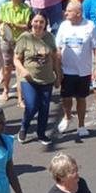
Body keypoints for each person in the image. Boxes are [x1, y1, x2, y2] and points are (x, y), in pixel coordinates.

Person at [55, 0, 96, 142]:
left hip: (83, 70)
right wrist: (57, 70)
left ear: (78, 13)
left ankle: (81, 125)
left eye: (69, 11)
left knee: (81, 98)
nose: (66, 13)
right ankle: (67, 116)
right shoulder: (63, 26)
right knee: (66, 98)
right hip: (67, 70)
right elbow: (57, 47)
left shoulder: (90, 26)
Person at [15, 13, 60, 146]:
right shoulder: (25, 38)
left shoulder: (50, 37)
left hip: (47, 79)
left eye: (42, 22)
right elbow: (16, 59)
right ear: (31, 22)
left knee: (44, 108)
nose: (38, 25)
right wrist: (23, 71)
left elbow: (54, 58)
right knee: (32, 105)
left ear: (45, 24)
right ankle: (24, 127)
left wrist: (58, 76)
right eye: (36, 21)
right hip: (29, 79)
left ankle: (41, 134)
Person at [0, 0, 32, 107]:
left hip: (20, 41)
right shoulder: (4, 7)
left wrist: (14, 25)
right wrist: (1, 27)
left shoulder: (26, 8)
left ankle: (20, 98)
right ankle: (5, 89)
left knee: (19, 68)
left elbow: (28, 26)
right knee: (7, 67)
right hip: (5, 40)